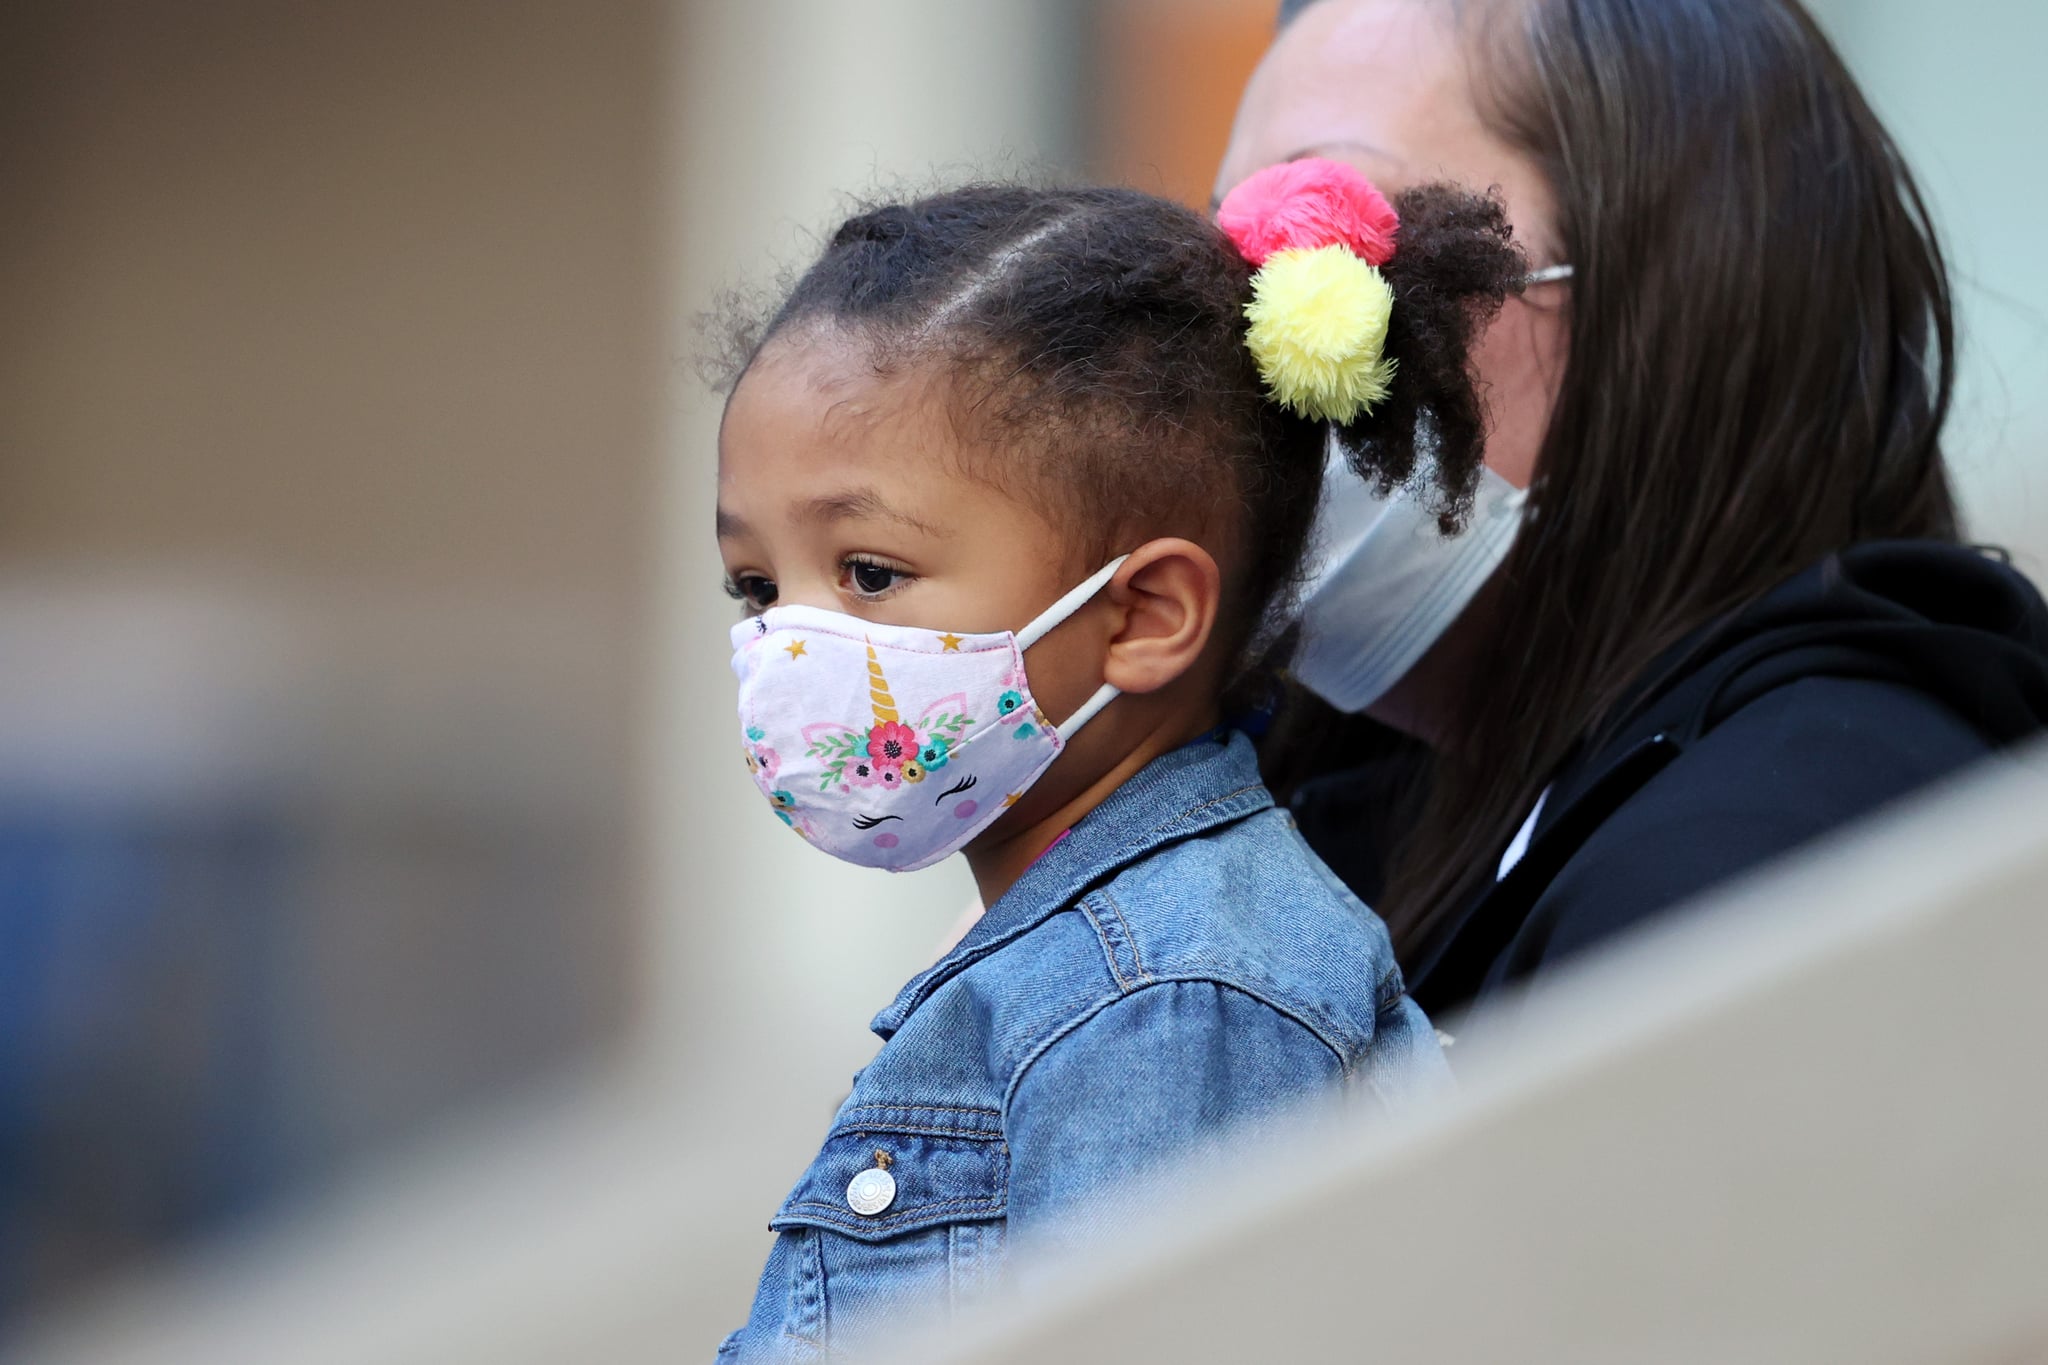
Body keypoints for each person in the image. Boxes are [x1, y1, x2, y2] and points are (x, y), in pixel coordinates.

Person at [708, 163, 1520, 1357]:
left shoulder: (1175, 993)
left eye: (869, 574)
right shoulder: (1081, 962)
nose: (790, 644)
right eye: (756, 586)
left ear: (1141, 618)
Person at [1220, 0, 2048, 1016]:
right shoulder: (1313, 805)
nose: (1235, 354)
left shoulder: (1768, 852)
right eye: (1231, 267)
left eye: (1318, 259)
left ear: (1665, 291)